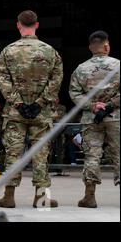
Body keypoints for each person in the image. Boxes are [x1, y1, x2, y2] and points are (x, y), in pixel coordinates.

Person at [0, 10, 63, 208]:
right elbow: (56, 80)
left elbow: (3, 79)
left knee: (13, 154)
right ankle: (42, 199)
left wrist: (18, 103)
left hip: (16, 113)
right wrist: (40, 103)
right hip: (41, 113)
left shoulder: (8, 51)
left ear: (18, 25)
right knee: (41, 154)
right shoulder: (50, 52)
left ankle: (8, 197)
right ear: (37, 25)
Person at [69, 30, 119, 208]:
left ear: (91, 47)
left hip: (92, 119)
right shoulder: (118, 65)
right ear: (106, 46)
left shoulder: (81, 68)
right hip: (116, 117)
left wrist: (93, 106)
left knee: (92, 155)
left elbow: (74, 92)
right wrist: (111, 105)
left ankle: (89, 197)